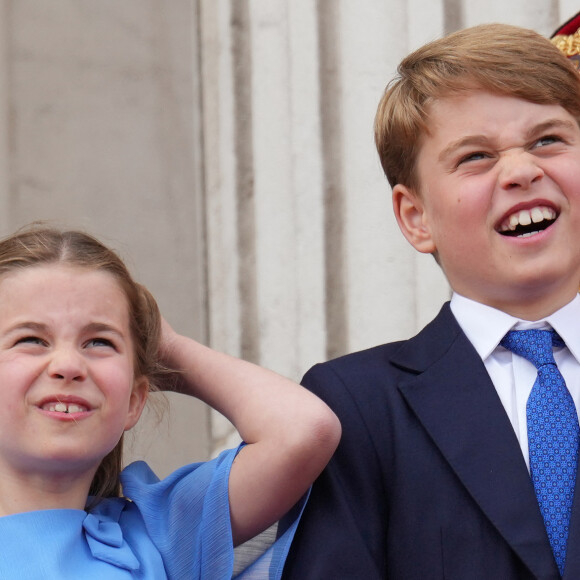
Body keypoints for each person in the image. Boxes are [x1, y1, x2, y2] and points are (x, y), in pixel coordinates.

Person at [282, 22, 580, 580]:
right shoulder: (357, 407)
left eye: (548, 140)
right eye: (475, 157)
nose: (522, 170)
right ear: (416, 218)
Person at [0, 225, 341, 579]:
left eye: (99, 342)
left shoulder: (157, 537)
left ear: (134, 400)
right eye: (31, 339)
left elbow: (305, 430)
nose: (69, 366)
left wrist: (170, 349)